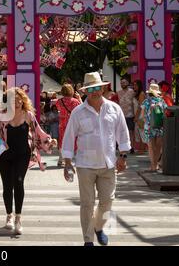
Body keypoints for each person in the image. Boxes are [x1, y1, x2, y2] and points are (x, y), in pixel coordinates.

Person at [62, 72, 130, 246]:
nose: (95, 91)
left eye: (97, 87)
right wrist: (67, 162)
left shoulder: (114, 108)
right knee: (87, 204)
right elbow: (69, 137)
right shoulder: (78, 112)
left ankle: (99, 227)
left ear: (103, 88)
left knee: (107, 202)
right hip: (85, 165)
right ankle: (88, 240)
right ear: (85, 91)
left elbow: (122, 133)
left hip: (108, 164)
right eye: (91, 88)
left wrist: (122, 156)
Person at [0, 88, 56, 234]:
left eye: (19, 99)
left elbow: (39, 132)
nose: (16, 102)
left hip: (23, 154)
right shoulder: (1, 114)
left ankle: (18, 217)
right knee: (7, 186)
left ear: (23, 100)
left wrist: (49, 141)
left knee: (18, 181)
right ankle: (9, 216)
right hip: (4, 155)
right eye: (13, 99)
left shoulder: (28, 115)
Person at [141, 83, 168, 172]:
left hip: (149, 126)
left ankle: (153, 166)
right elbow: (165, 114)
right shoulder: (162, 101)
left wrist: (146, 123)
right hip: (159, 127)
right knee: (158, 147)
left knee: (151, 147)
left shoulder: (146, 101)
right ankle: (156, 164)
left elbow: (143, 116)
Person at [55, 84, 82, 167]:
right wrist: (79, 98)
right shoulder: (75, 101)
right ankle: (77, 159)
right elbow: (82, 109)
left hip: (62, 124)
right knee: (75, 141)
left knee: (62, 141)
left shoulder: (59, 101)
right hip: (72, 124)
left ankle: (61, 160)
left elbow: (58, 109)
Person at [117, 78, 136, 154]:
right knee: (121, 132)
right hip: (121, 115)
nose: (123, 84)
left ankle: (132, 147)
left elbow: (135, 103)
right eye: (121, 83)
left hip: (130, 115)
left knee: (131, 132)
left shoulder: (132, 92)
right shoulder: (118, 92)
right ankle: (122, 147)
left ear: (127, 83)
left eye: (124, 82)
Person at [133, 80, 146, 153]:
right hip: (139, 115)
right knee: (140, 132)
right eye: (133, 85)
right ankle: (142, 148)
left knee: (142, 132)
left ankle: (142, 149)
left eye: (135, 85)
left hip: (141, 115)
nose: (134, 86)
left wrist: (136, 117)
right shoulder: (137, 94)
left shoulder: (141, 94)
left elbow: (140, 107)